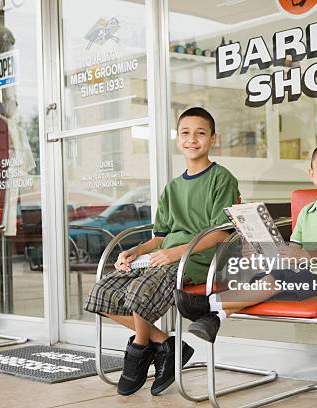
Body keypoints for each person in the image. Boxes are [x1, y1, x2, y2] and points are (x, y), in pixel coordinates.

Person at [84, 107, 240, 396]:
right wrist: (135, 250)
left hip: (199, 261)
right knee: (102, 293)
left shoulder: (222, 179)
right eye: (185, 133)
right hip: (163, 258)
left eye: (200, 133)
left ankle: (140, 347)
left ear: (213, 139)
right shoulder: (172, 187)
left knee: (139, 292)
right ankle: (166, 345)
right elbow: (161, 237)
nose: (192, 139)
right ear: (177, 139)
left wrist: (175, 254)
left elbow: (221, 233)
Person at [175, 140, 317, 343]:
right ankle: (215, 318)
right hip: (304, 276)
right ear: (311, 173)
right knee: (262, 278)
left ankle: (208, 304)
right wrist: (267, 254)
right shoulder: (306, 211)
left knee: (275, 280)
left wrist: (305, 256)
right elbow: (293, 251)